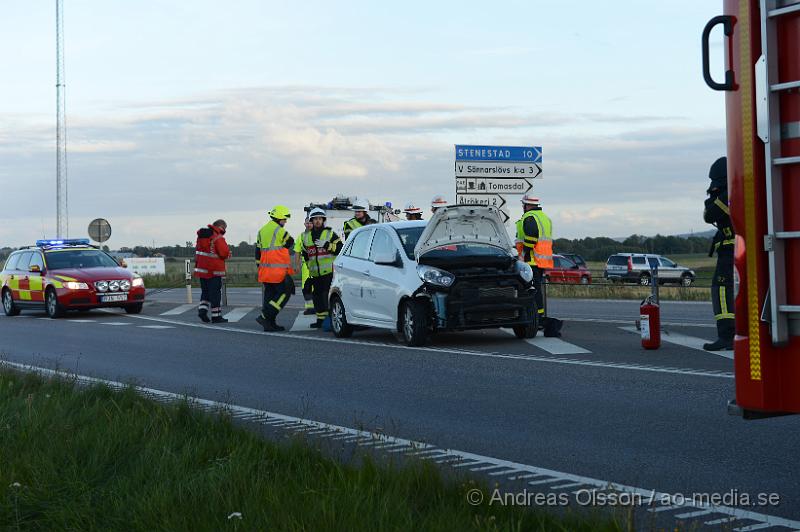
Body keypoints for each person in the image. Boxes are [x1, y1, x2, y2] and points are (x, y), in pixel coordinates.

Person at [703, 157, 735, 351]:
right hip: (738, 252)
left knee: (721, 290)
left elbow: (710, 215)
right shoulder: (735, 191)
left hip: (730, 253)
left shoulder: (730, 194)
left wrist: (718, 195)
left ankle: (726, 335)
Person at [301, 208, 343, 328]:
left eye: (320, 219)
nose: (318, 221)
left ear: (323, 220)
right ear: (312, 221)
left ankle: (330, 321)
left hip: (329, 272)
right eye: (315, 219)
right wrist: (309, 266)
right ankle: (320, 320)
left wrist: (327, 245)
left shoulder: (329, 234)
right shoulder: (306, 237)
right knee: (317, 297)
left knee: (326, 297)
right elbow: (305, 253)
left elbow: (340, 248)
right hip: (315, 274)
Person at [255, 206, 295, 332]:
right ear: (279, 218)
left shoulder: (261, 231)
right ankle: (265, 316)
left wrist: (260, 266)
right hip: (278, 271)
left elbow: (257, 252)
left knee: (270, 296)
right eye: (285, 219)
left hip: (265, 271)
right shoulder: (279, 230)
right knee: (284, 293)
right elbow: (290, 241)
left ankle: (270, 324)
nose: (286, 222)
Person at [515, 193, 553, 322]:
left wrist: (524, 254)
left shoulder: (530, 217)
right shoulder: (544, 218)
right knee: (537, 290)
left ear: (527, 205)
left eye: (523, 205)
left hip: (531, 260)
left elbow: (531, 238)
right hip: (542, 260)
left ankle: (536, 318)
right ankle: (539, 317)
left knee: (532, 291)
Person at [194, 219, 231, 323]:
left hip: (202, 270)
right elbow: (224, 253)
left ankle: (202, 310)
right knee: (215, 294)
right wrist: (228, 254)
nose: (224, 231)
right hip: (214, 271)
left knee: (205, 292)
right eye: (225, 228)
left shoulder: (201, 237)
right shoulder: (218, 237)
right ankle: (216, 316)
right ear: (221, 227)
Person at [295, 217, 315, 315]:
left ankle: (319, 308)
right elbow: (297, 252)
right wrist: (297, 265)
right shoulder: (301, 236)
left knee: (318, 287)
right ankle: (309, 308)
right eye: (307, 223)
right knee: (306, 287)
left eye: (310, 223)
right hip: (306, 266)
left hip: (318, 265)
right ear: (304, 224)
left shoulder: (318, 235)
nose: (309, 224)